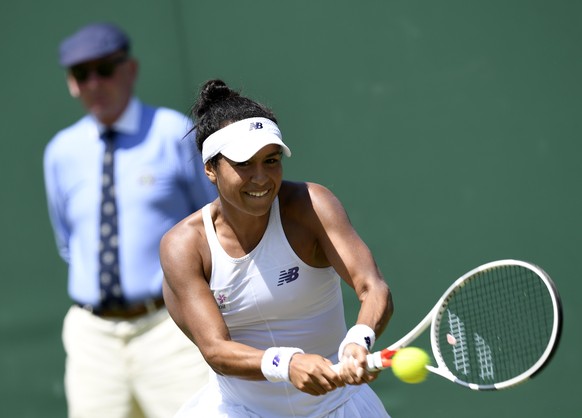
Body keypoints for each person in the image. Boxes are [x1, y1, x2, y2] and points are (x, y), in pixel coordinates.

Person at [160, 79, 394, 417]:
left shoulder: (313, 206)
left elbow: (373, 287)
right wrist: (287, 363)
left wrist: (360, 338)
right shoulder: (185, 245)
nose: (261, 178)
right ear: (210, 169)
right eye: (244, 164)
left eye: (271, 161)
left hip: (340, 407)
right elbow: (215, 350)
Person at [43, 23, 217, 418]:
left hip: (170, 328)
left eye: (104, 69)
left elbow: (212, 224)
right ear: (71, 83)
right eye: (80, 74)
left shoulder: (173, 132)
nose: (93, 84)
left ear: (131, 69)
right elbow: (68, 242)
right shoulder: (60, 152)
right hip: (93, 339)